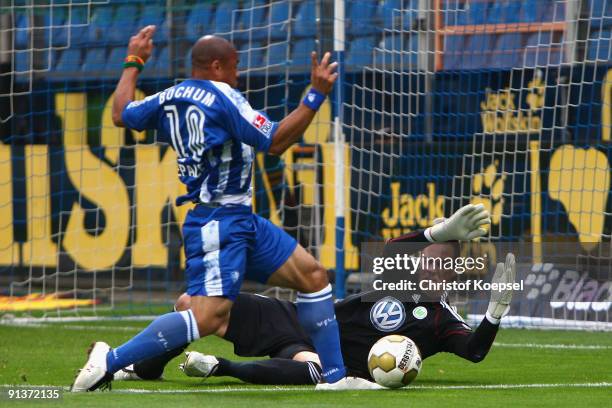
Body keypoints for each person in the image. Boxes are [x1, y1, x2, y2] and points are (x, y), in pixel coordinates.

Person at [71, 25, 363, 391]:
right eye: (235, 66)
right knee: (206, 318)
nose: (238, 74)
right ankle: (109, 360)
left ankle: (336, 379)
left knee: (314, 277)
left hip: (241, 219)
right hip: (218, 221)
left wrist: (134, 62)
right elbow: (274, 142)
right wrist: (315, 96)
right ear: (215, 65)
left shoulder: (168, 97)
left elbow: (120, 113)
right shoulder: (222, 96)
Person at [112, 205, 514, 386]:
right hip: (298, 320)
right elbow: (394, 247)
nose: (428, 265)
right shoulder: (400, 279)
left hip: (330, 363)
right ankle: (147, 366)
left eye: (438, 261)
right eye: (427, 257)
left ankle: (220, 367)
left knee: (313, 372)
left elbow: (474, 351)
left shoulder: (444, 321)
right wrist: (436, 233)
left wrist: (494, 314)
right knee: (189, 304)